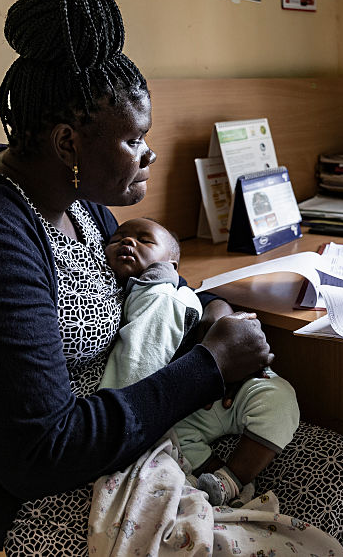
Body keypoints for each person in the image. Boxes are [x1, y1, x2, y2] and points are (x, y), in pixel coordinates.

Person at [0, 0, 343, 557]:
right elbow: (40, 454)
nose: (149, 154)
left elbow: (158, 286)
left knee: (333, 467)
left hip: (117, 431)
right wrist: (210, 366)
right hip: (0, 496)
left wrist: (213, 316)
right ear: (67, 144)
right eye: (135, 140)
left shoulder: (77, 204)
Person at [98, 216, 300, 505]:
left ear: (170, 264)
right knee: (178, 439)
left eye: (145, 240)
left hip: (230, 390)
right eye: (117, 239)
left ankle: (234, 478)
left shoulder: (162, 295)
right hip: (186, 409)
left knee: (279, 398)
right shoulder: (137, 290)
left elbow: (135, 368)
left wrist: (117, 424)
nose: (127, 241)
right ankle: (218, 484)